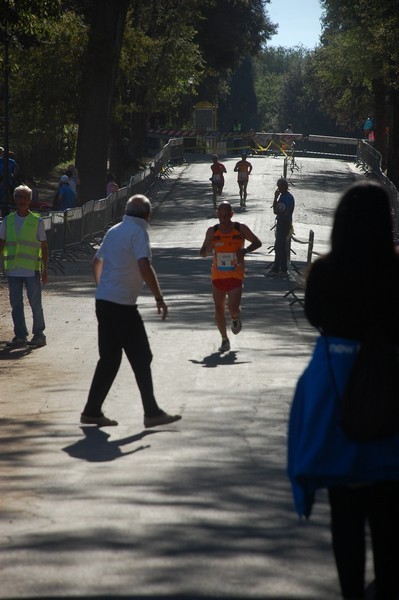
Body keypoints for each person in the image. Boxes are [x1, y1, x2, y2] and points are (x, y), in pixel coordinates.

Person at [287, 181, 399, 599]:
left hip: (336, 397)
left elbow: (315, 316)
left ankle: (351, 592)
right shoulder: (395, 272)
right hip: (391, 398)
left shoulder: (326, 272)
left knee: (346, 517)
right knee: (390, 523)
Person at [80, 193, 182, 429]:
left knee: (109, 358)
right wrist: (159, 297)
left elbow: (96, 263)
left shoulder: (115, 230)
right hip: (122, 306)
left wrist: (104, 288)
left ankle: (92, 411)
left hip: (104, 302)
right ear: (148, 214)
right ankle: (152, 413)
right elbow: (144, 265)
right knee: (142, 356)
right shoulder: (139, 233)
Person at [199, 201, 262, 352]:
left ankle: (235, 318)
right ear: (217, 215)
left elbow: (258, 242)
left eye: (226, 215)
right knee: (218, 308)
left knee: (233, 308)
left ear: (232, 214)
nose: (223, 219)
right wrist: (206, 249)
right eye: (220, 216)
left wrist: (245, 251)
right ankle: (224, 339)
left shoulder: (240, 229)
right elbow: (202, 252)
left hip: (236, 274)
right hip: (218, 275)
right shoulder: (212, 231)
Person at [0, 185, 48, 348]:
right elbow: (2, 243)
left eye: (25, 197)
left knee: (35, 303)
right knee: (16, 304)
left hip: (31, 269)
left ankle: (39, 334)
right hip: (14, 269)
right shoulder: (8, 221)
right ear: (15, 199)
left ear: (30, 200)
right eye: (19, 197)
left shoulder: (37, 221)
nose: (22, 200)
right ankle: (20, 335)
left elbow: (43, 247)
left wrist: (44, 269)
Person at [269, 177, 295, 276]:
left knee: (278, 246)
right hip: (280, 221)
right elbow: (275, 210)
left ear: (284, 186)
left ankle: (276, 268)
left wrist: (280, 212)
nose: (278, 189)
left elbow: (285, 211)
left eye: (279, 186)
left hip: (285, 223)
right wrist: (275, 197)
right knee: (281, 246)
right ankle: (282, 268)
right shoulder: (282, 196)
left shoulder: (288, 197)